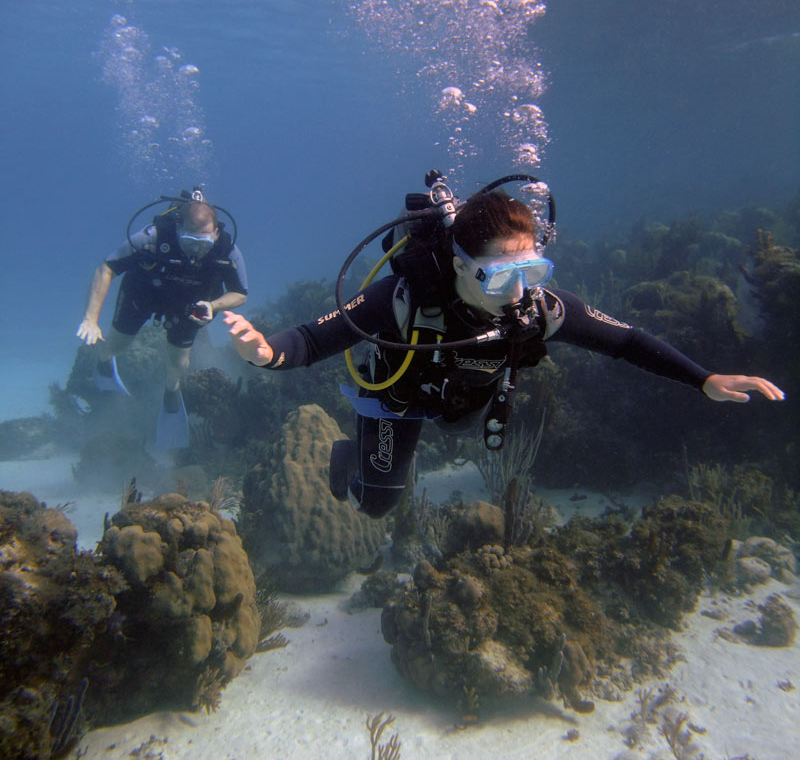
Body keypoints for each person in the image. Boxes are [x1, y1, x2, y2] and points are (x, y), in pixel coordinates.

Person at [224, 174, 784, 518]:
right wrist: (267, 353)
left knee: (460, 425)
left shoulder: (539, 307)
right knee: (375, 505)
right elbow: (314, 337)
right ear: (460, 265)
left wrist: (703, 379)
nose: (520, 292)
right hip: (402, 398)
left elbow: (628, 342)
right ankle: (350, 454)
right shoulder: (404, 297)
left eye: (533, 269)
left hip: (469, 404)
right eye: (498, 275)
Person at [77, 193, 248, 447]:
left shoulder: (227, 249)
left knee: (179, 361)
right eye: (190, 241)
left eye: (204, 242)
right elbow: (107, 267)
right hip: (143, 294)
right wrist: (91, 318)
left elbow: (240, 293)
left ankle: (172, 389)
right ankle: (104, 360)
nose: (197, 250)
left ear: (215, 233)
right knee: (117, 345)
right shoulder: (153, 237)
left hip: (191, 305)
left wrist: (213, 305)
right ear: (179, 228)